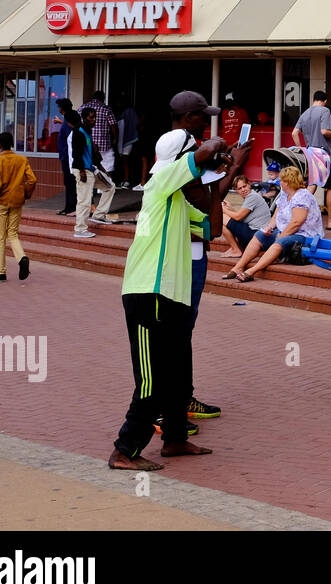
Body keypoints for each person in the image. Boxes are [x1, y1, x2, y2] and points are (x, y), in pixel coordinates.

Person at [107, 132, 228, 472]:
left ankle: (174, 438)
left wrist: (216, 182)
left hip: (170, 295)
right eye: (192, 157)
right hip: (148, 293)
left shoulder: (175, 200)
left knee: (175, 373)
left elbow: (212, 229)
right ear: (181, 160)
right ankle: (124, 449)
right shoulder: (161, 181)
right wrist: (216, 149)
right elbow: (205, 151)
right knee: (151, 379)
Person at [167, 90, 249, 423]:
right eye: (202, 117)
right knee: (179, 331)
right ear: (187, 120)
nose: (207, 124)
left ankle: (182, 398)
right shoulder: (181, 154)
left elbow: (210, 201)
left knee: (182, 331)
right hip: (187, 253)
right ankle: (175, 405)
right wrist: (232, 169)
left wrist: (219, 168)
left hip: (192, 250)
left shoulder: (183, 153)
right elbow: (208, 208)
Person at [225, 165, 323, 283]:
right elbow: (276, 215)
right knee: (259, 235)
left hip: (304, 234)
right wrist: (269, 227)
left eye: (281, 180)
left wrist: (280, 236)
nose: (279, 182)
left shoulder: (302, 195)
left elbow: (296, 223)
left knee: (280, 242)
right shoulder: (285, 195)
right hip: (286, 230)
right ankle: (238, 266)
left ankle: (251, 271)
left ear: (287, 182)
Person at [0, 130, 36, 282]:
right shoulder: (22, 159)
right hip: (17, 201)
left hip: (1, 202)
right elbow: (32, 180)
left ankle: (1, 272)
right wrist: (26, 194)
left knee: (0, 237)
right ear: (12, 144)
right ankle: (21, 258)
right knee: (13, 234)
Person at [293, 90, 331, 229]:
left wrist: (300, 148)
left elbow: (294, 132)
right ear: (325, 101)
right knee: (330, 188)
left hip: (310, 153)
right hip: (324, 154)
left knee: (312, 185)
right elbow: (325, 131)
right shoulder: (324, 111)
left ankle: (298, 214)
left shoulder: (305, 113)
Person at [70, 108, 116, 237]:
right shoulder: (78, 132)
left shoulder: (88, 131)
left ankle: (99, 215)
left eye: (95, 117)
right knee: (84, 201)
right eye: (91, 117)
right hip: (83, 170)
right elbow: (76, 153)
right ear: (84, 118)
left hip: (92, 169)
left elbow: (94, 154)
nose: (94, 119)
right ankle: (80, 230)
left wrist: (103, 170)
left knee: (110, 186)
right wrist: (82, 172)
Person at [219, 175, 273, 257]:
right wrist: (230, 209)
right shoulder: (250, 196)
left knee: (221, 219)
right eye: (239, 188)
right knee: (225, 219)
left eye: (244, 186)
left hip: (257, 235)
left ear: (249, 184)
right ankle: (235, 248)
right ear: (236, 190)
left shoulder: (252, 197)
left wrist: (224, 210)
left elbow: (238, 217)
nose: (243, 190)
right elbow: (242, 218)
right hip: (255, 232)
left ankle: (236, 249)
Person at [81, 91, 117, 180]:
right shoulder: (106, 109)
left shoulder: (83, 107)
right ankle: (104, 188)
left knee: (90, 164)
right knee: (106, 165)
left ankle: (93, 188)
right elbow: (113, 125)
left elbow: (77, 123)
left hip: (88, 142)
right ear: (103, 98)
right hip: (104, 143)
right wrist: (115, 139)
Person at [55, 97, 76, 215]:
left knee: (70, 183)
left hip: (68, 157)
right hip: (66, 156)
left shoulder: (68, 119)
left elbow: (70, 138)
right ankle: (69, 207)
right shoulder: (67, 119)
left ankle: (70, 208)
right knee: (69, 183)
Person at [115, 96, 140, 189]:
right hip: (124, 138)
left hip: (129, 138)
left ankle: (127, 180)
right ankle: (123, 179)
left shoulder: (129, 111)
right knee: (122, 159)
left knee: (125, 159)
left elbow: (135, 124)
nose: (118, 104)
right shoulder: (121, 112)